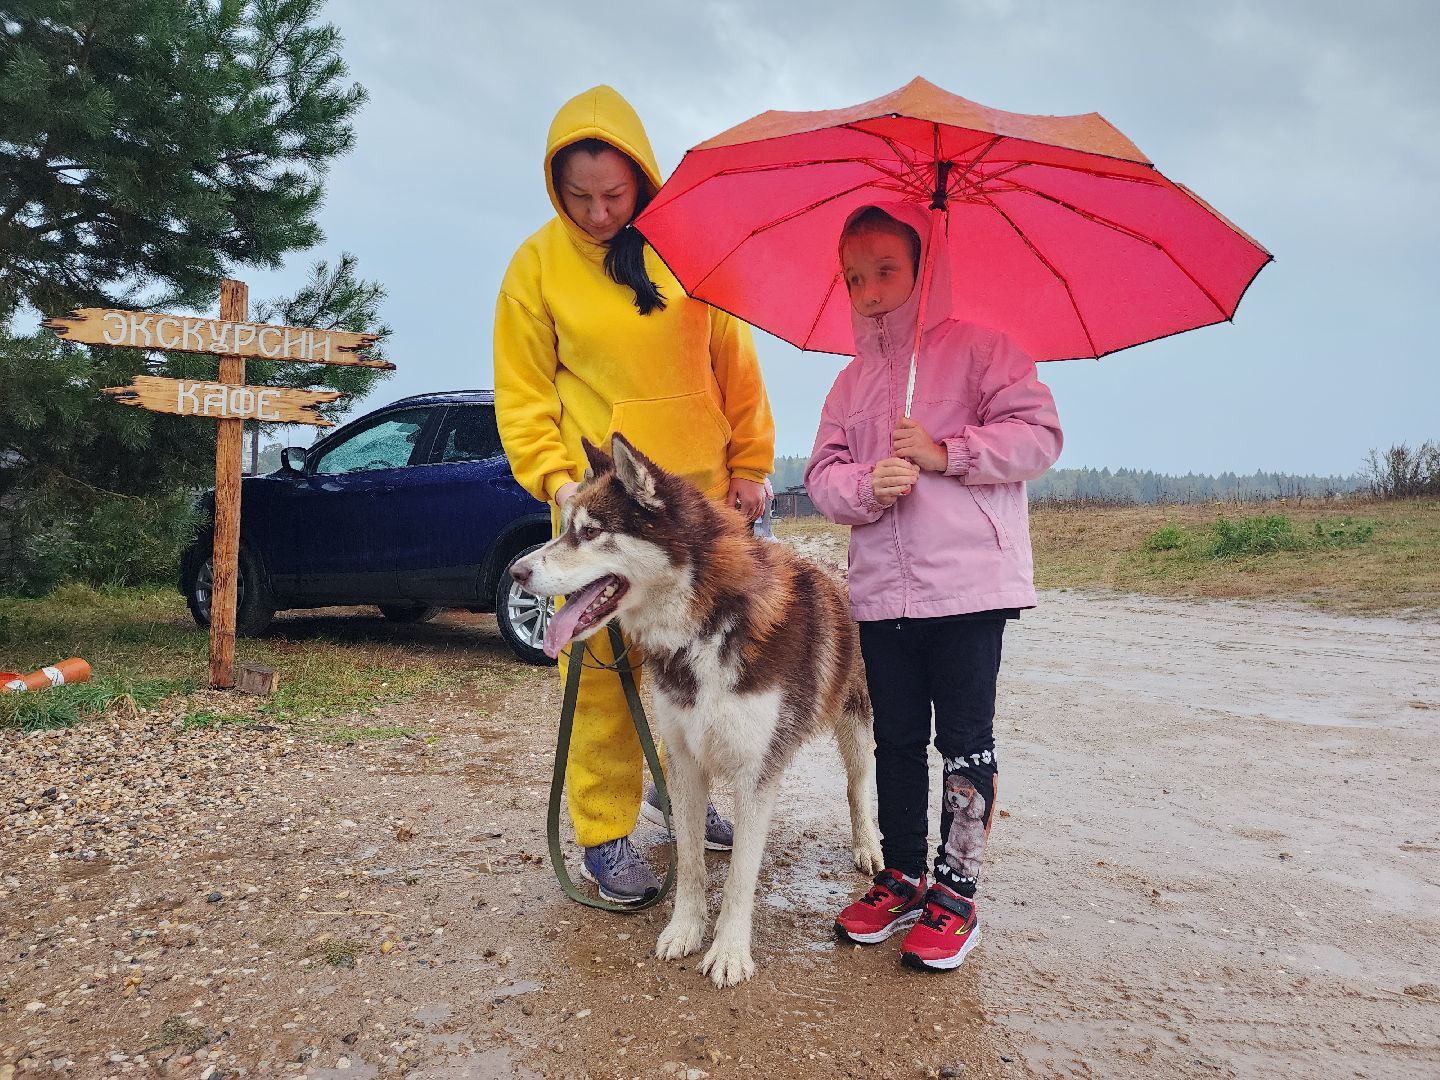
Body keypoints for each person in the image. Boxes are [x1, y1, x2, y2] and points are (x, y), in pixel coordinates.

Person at [494, 85, 775, 904]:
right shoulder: (536, 266)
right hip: (606, 508)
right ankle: (606, 830)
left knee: (711, 663)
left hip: (705, 509)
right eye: (579, 197)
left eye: (615, 194)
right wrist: (557, 480)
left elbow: (737, 363)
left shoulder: (692, 250)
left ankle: (688, 792)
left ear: (643, 179)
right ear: (557, 189)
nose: (597, 213)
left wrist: (752, 464)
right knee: (604, 670)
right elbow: (523, 394)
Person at [805, 203, 1062, 970]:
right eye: (855, 276)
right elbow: (821, 478)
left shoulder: (984, 352)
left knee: (964, 742)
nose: (870, 288)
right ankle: (903, 874)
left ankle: (956, 890)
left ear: (924, 269)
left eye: (886, 269)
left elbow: (1040, 436)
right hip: (882, 593)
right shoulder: (848, 386)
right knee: (896, 741)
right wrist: (867, 485)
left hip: (969, 591)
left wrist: (948, 451)